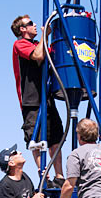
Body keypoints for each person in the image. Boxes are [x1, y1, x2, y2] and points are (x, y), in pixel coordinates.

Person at [11, 14, 65, 188]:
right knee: (35, 139)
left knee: (56, 136)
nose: (35, 25)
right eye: (31, 23)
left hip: (46, 97)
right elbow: (38, 56)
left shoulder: (37, 43)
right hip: (31, 99)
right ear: (22, 29)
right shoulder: (20, 44)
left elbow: (51, 57)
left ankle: (59, 175)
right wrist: (45, 35)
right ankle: (45, 177)